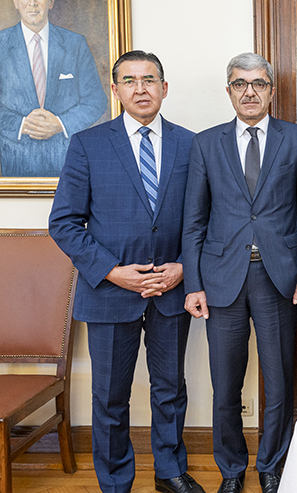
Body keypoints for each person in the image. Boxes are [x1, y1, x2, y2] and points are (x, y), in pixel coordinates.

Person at [49, 51, 201, 493]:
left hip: (171, 291)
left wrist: (182, 269)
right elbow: (63, 223)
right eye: (129, 81)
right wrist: (114, 272)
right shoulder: (88, 143)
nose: (140, 88)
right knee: (111, 398)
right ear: (115, 90)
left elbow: (206, 219)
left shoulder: (192, 144)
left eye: (149, 79)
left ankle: (171, 472)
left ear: (164, 88)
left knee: (170, 389)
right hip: (110, 292)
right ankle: (115, 481)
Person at [182, 53, 297, 493]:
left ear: (272, 90)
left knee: (278, 381)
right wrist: (194, 284)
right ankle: (232, 471)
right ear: (229, 92)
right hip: (222, 278)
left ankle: (272, 466)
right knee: (226, 385)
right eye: (240, 84)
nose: (250, 92)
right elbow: (194, 221)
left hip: (279, 276)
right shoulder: (205, 144)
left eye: (259, 84)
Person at [0, 0, 107, 177]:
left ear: (50, 1)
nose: (32, 2)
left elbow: (96, 101)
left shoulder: (75, 44)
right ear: (15, 0)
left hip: (68, 164)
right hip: (13, 168)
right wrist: (22, 125)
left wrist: (60, 123)